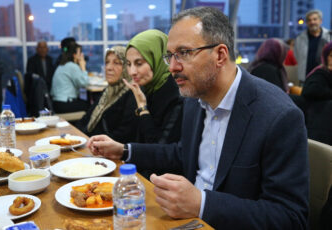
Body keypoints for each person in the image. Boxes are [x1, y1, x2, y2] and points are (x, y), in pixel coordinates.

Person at [87, 7, 309, 229]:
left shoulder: (278, 116)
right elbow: (182, 153)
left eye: (183, 53)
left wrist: (202, 204)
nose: (173, 67)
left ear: (220, 55)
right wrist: (124, 150)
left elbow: (290, 217)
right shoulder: (195, 99)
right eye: (170, 56)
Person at [123, 29, 183, 144]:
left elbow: (159, 148)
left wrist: (143, 108)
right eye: (129, 64)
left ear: (158, 58)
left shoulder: (176, 95)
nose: (132, 72)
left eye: (139, 63)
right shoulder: (145, 88)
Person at [76, 46, 138, 143]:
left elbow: (124, 134)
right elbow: (86, 118)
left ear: (127, 67)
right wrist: (76, 137)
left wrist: (93, 143)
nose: (108, 68)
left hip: (106, 151)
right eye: (107, 62)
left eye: (116, 63)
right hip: (89, 143)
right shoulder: (107, 91)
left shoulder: (132, 93)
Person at [294, 9, 330, 85]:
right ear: (306, 23)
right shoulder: (300, 38)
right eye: (309, 20)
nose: (312, 22)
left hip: (326, 78)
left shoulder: (329, 36)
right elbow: (296, 56)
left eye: (315, 19)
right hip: (305, 78)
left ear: (321, 21)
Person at [50, 43, 89, 113]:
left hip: (57, 103)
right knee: (91, 106)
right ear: (74, 55)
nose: (82, 56)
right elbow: (84, 83)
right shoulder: (72, 66)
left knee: (85, 102)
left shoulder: (62, 65)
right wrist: (83, 67)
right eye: (80, 53)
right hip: (64, 104)